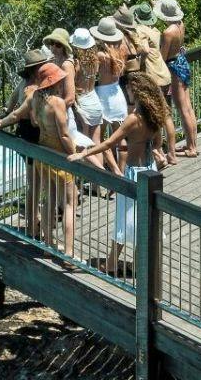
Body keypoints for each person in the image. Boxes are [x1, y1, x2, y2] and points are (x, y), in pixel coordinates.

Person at [69, 60, 177, 276]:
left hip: (132, 173)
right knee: (144, 220)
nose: (126, 92)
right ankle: (138, 265)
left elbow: (109, 143)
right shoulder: (153, 117)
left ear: (134, 91)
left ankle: (110, 263)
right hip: (150, 169)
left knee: (123, 219)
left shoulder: (133, 120)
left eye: (128, 89)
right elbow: (157, 144)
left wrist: (84, 153)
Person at [0, 62, 75, 255]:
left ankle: (48, 246)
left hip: (42, 155)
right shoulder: (57, 103)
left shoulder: (35, 97)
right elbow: (65, 136)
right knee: (69, 202)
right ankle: (69, 254)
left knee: (49, 199)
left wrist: (1, 122)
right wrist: (76, 154)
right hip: (59, 156)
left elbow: (17, 114)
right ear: (54, 81)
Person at [154, 0, 199, 157]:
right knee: (188, 107)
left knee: (182, 109)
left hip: (173, 67)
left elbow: (163, 56)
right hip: (182, 62)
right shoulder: (180, 25)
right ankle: (192, 143)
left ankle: (192, 148)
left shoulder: (167, 32)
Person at [92, 17, 130, 169]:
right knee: (120, 136)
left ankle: (115, 171)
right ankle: (121, 169)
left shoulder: (101, 56)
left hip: (104, 95)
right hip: (117, 93)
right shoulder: (121, 50)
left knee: (100, 138)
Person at [118, 2, 173, 90]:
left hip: (153, 76)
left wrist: (138, 64)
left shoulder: (141, 30)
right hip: (164, 74)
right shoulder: (155, 31)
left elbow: (145, 50)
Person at [67, 27, 104, 156]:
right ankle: (101, 174)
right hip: (94, 101)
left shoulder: (76, 63)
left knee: (83, 146)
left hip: (82, 104)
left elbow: (72, 85)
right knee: (96, 144)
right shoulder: (96, 59)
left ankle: (89, 175)